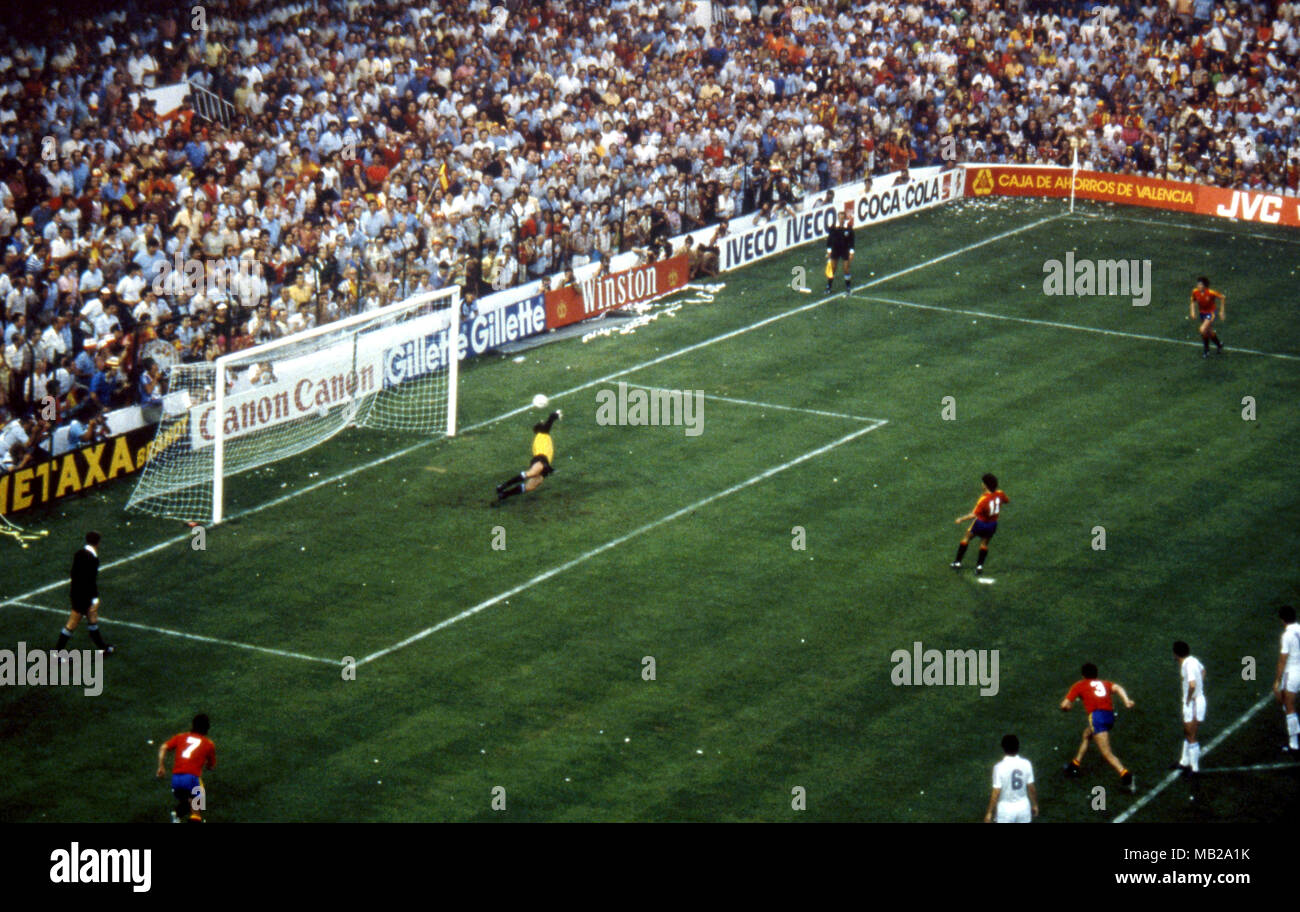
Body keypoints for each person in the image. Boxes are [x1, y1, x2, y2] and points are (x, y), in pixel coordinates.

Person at [1061, 662, 1135, 791]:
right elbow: (1117, 688)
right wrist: (1126, 700)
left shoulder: (1079, 685)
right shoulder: (1104, 683)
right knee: (1087, 734)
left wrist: (1067, 708)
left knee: (1106, 753)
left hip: (1097, 718)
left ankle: (1125, 774)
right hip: (1109, 716)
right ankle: (1075, 764)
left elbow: (1064, 705)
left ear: (1083, 675)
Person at [55, 531, 115, 656]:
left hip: (76, 592)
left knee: (92, 618)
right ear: (98, 543)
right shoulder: (92, 559)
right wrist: (94, 598)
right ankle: (56, 653)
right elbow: (90, 581)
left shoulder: (79, 554)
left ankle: (103, 648)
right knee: (72, 623)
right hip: (83, 596)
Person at [156, 713, 216, 823]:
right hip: (191, 779)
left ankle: (177, 815)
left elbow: (164, 747)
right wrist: (208, 765)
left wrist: (161, 766)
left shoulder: (181, 737)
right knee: (198, 807)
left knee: (189, 801)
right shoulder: (208, 744)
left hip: (176, 780)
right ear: (207, 728)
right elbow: (211, 766)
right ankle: (184, 816)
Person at [493, 410, 562, 505]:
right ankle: (502, 486)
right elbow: (547, 425)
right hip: (541, 458)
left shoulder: (543, 436)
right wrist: (553, 416)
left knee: (531, 486)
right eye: (542, 424)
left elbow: (547, 426)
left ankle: (504, 494)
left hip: (545, 463)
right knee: (532, 473)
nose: (543, 424)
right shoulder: (541, 434)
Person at [951, 473, 1009, 575]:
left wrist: (961, 519)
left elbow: (973, 514)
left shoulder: (983, 499)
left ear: (986, 485)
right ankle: (979, 566)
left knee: (966, 538)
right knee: (984, 544)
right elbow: (1006, 500)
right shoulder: (1000, 493)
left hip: (981, 523)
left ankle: (957, 562)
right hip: (992, 524)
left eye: (983, 483)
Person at [1171, 641, 1206, 780]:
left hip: (1193, 703)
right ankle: (1184, 762)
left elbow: (1191, 684)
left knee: (1191, 735)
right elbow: (1203, 671)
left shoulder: (1186, 665)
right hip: (1197, 701)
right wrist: (1200, 685)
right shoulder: (1193, 660)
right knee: (1187, 732)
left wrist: (1189, 699)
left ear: (1176, 654)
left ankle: (1194, 769)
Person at [985, 734, 1038, 823]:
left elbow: (996, 792)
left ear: (1003, 748)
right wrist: (1035, 804)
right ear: (1018, 747)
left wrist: (989, 812)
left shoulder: (999, 767)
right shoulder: (1026, 764)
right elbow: (1031, 788)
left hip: (1005, 810)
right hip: (1023, 807)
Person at [1274, 605, 1300, 753]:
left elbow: (1283, 660)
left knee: (1288, 705)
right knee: (1286, 701)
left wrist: (1277, 680)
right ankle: (1296, 730)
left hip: (1293, 672)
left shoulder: (1287, 636)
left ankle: (1294, 744)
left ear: (1282, 620)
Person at [1189, 276, 1224, 358]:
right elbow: (1192, 301)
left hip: (1211, 313)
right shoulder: (1195, 292)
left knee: (1202, 329)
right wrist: (1192, 311)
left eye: (1200, 285)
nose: (1198, 286)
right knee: (1209, 332)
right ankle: (1219, 345)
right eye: (1198, 284)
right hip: (1203, 314)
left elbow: (1222, 297)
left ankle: (1206, 349)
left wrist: (1222, 311)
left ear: (1204, 286)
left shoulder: (1211, 293)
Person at [824, 210, 854, 293]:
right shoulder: (833, 228)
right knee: (833, 268)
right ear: (838, 218)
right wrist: (829, 251)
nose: (841, 220)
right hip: (835, 249)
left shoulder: (848, 228)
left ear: (845, 219)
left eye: (843, 218)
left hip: (845, 250)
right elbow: (829, 240)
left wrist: (851, 252)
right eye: (840, 218)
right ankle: (828, 286)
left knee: (846, 268)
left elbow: (851, 241)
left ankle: (848, 287)